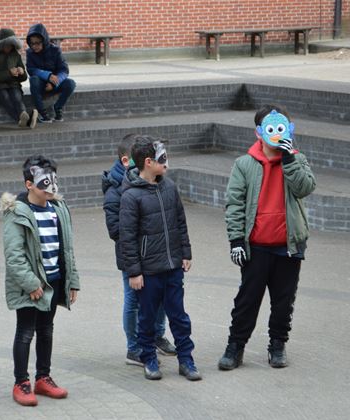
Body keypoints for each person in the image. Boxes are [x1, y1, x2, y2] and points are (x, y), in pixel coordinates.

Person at [218, 105, 316, 371]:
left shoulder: (297, 158)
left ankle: (277, 345)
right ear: (259, 132)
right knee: (247, 300)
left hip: (288, 246)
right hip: (257, 246)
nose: (275, 133)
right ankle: (235, 346)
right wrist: (236, 240)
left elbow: (305, 187)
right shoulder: (244, 164)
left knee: (284, 301)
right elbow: (235, 204)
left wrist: (289, 159)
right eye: (269, 128)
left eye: (281, 126)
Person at [0, 155, 80, 406]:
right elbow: (14, 255)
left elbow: (67, 248)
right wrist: (31, 283)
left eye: (53, 180)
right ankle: (21, 382)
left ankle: (43, 377)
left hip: (54, 280)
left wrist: (72, 280)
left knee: (46, 330)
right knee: (25, 332)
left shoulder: (58, 208)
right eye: (44, 182)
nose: (51, 187)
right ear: (29, 184)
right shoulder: (17, 212)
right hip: (31, 285)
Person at [119, 135, 200, 381]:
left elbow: (180, 222)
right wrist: (134, 271)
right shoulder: (131, 196)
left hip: (173, 266)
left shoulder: (170, 187)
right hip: (149, 270)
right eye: (162, 159)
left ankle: (186, 359)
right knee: (146, 317)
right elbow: (128, 237)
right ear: (148, 162)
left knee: (179, 315)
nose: (166, 164)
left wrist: (185, 252)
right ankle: (149, 359)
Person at [102, 133, 177, 366]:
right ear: (127, 161)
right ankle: (133, 348)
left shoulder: (156, 182)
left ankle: (156, 336)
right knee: (133, 301)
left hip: (156, 255)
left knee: (161, 298)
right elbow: (116, 231)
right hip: (133, 258)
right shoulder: (115, 191)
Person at [0, 28, 38, 129]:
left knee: (17, 98)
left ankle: (24, 115)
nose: (9, 47)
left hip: (13, 84)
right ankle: (26, 120)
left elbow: (24, 78)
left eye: (11, 45)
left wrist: (22, 72)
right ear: (1, 45)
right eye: (6, 45)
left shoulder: (16, 56)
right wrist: (9, 73)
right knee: (6, 99)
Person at [25, 23, 76, 124]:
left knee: (71, 84)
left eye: (38, 43)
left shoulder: (55, 50)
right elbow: (31, 69)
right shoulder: (29, 53)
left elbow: (64, 70)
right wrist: (47, 76)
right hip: (40, 84)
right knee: (33, 79)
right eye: (32, 43)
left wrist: (54, 83)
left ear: (44, 41)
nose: (34, 46)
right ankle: (42, 113)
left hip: (55, 82)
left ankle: (58, 107)